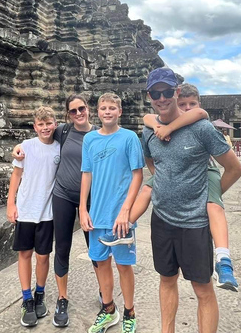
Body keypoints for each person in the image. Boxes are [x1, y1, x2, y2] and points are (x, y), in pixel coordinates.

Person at [142, 68, 241, 333]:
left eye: (167, 92)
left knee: (202, 288)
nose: (162, 98)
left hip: (194, 223)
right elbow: (152, 162)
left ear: (176, 92)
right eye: (156, 93)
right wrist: (167, 183)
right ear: (149, 96)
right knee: (166, 279)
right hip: (162, 219)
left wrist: (209, 196)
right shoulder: (148, 131)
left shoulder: (202, 129)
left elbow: (235, 169)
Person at [127, 83, 240, 291]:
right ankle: (125, 227)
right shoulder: (153, 126)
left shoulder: (200, 122)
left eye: (191, 104)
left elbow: (199, 113)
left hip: (205, 172)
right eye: (183, 105)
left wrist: (207, 196)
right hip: (168, 184)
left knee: (214, 206)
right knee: (146, 190)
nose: (187, 108)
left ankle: (223, 259)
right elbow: (147, 119)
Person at [12, 94, 98, 327]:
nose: (78, 113)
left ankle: (105, 295)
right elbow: (22, 163)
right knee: (50, 250)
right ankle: (45, 298)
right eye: (73, 111)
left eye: (81, 108)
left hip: (76, 203)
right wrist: (18, 147)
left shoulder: (96, 134)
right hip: (45, 203)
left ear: (88, 109)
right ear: (67, 116)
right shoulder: (60, 133)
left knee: (94, 249)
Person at [80, 93, 144, 333]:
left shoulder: (129, 138)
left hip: (120, 217)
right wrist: (82, 208)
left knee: (123, 265)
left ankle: (129, 311)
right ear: (98, 112)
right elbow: (86, 173)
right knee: (100, 262)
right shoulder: (90, 139)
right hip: (97, 215)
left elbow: (137, 174)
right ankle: (108, 309)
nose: (107, 112)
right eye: (103, 108)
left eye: (112, 108)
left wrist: (126, 209)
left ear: (120, 112)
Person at [6, 106, 60, 327]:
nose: (45, 128)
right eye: (41, 124)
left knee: (44, 256)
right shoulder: (26, 147)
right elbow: (16, 176)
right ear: (34, 126)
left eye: (49, 123)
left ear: (55, 124)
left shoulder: (59, 148)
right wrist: (11, 204)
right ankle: (26, 298)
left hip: (47, 212)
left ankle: (40, 293)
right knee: (25, 254)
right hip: (26, 209)